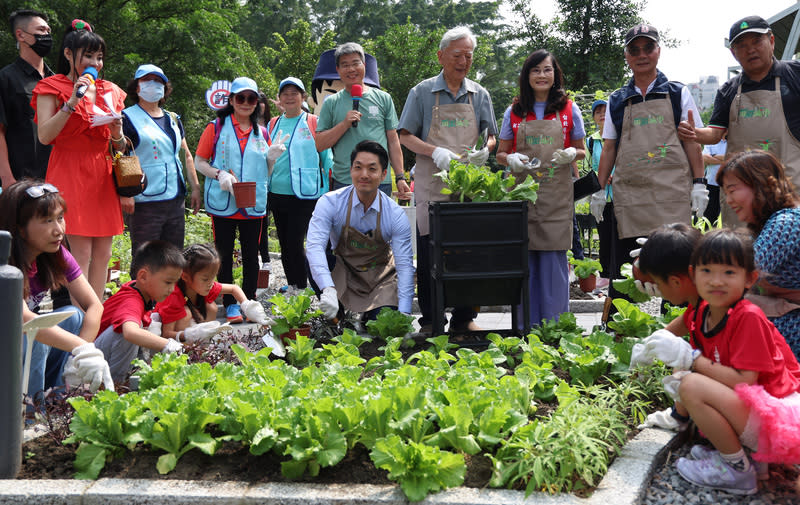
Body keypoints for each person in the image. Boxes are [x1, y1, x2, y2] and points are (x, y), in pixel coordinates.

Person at [634, 229, 800, 495]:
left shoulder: (748, 317)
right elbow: (682, 341)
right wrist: (653, 346)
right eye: (707, 271)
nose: (716, 281)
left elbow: (746, 381)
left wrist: (691, 358)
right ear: (693, 274)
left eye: (729, 273)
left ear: (750, 279)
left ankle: (735, 470)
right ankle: (750, 459)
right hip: (757, 412)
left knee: (689, 384)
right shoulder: (702, 312)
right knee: (683, 376)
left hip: (778, 417)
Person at [591, 23, 706, 304]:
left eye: (648, 48)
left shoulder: (678, 94)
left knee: (677, 268)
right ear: (626, 56)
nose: (642, 55)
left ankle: (680, 332)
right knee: (624, 273)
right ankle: (617, 331)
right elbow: (609, 148)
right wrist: (597, 189)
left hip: (672, 195)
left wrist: (699, 184)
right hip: (631, 196)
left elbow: (692, 142)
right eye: (634, 50)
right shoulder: (618, 100)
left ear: (658, 51)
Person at [398, 26, 498, 334]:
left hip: (469, 185)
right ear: (441, 56)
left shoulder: (479, 94)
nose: (463, 61)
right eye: (457, 55)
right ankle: (431, 319)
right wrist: (434, 151)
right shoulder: (422, 93)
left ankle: (464, 317)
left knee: (468, 253)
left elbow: (492, 135)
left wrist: (486, 150)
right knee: (431, 253)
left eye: (469, 55)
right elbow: (404, 136)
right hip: (434, 184)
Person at [32, 19, 126, 300]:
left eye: (99, 57)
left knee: (104, 254)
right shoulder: (52, 86)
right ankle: (82, 323)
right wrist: (72, 102)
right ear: (68, 54)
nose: (95, 63)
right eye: (88, 56)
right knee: (81, 253)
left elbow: (118, 147)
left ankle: (95, 321)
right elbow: (45, 136)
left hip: (102, 174)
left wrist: (118, 134)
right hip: (69, 170)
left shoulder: (111, 90)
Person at [678, 16, 800, 226]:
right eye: (741, 45)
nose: (750, 50)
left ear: (771, 41)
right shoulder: (729, 90)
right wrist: (695, 134)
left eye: (756, 42)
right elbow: (715, 134)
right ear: (733, 53)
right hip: (743, 195)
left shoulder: (795, 75)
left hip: (790, 188)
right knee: (742, 252)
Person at [496, 49, 586, 326]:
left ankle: (555, 327)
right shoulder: (514, 111)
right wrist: (510, 158)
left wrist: (572, 154)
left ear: (555, 74)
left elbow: (581, 150)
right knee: (525, 265)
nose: (542, 75)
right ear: (527, 76)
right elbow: (500, 152)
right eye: (536, 70)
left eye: (547, 70)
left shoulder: (569, 109)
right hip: (522, 198)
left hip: (556, 199)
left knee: (553, 264)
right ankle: (525, 327)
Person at [0, 180, 112, 395]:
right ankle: (30, 413)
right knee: (37, 334)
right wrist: (82, 348)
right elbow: (24, 318)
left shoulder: (56, 253)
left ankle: (56, 394)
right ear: (20, 229)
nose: (58, 229)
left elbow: (94, 305)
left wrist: (79, 355)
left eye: (60, 218)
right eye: (47, 220)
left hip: (19, 345)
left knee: (73, 316)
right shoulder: (7, 263)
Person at [194, 77, 285, 324]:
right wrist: (219, 173)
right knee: (222, 254)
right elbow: (198, 161)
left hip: (252, 204)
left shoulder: (262, 132)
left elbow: (265, 171)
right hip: (224, 203)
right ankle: (230, 302)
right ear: (232, 100)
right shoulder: (215, 128)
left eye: (251, 98)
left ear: (257, 103)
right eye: (241, 98)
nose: (246, 103)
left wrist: (272, 157)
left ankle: (249, 301)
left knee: (251, 254)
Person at [306, 140, 414, 321]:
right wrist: (327, 289)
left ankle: (368, 316)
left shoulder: (395, 214)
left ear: (383, 174)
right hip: (344, 273)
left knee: (380, 323)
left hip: (379, 278)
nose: (364, 175)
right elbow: (314, 246)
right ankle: (337, 317)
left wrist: (405, 313)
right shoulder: (330, 203)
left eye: (372, 169)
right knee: (314, 259)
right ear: (351, 171)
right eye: (358, 167)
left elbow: (404, 266)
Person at [717, 150, 800, 355]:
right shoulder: (770, 222)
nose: (728, 200)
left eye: (732, 190)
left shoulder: (786, 223)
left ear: (760, 185)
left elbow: (737, 272)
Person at [122, 64, 201, 255]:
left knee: (173, 258)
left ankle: (170, 287)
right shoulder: (127, 118)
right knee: (146, 258)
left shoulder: (172, 118)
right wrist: (126, 194)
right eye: (147, 80)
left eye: (158, 81)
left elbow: (186, 155)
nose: (153, 85)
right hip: (144, 201)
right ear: (137, 87)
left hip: (175, 199)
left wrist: (196, 187)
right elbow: (121, 158)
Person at [315, 42, 409, 197]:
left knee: (379, 221)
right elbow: (319, 144)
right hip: (345, 181)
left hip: (379, 181)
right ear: (338, 70)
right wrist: (344, 124)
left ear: (364, 65)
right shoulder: (331, 103)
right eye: (345, 65)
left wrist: (400, 177)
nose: (351, 69)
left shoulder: (383, 98)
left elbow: (393, 140)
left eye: (355, 63)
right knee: (345, 222)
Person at [634, 222, 703, 432]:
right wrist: (655, 339)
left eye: (657, 282)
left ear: (675, 281)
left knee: (683, 372)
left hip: (766, 406)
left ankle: (733, 458)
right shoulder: (702, 302)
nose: (656, 290)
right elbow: (686, 320)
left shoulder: (718, 311)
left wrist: (689, 359)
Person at [267, 77, 333, 290]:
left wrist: (327, 192)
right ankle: (293, 285)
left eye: (294, 93)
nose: (289, 97)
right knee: (285, 244)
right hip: (276, 191)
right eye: (285, 93)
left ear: (303, 97)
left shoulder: (313, 122)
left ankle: (302, 286)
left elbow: (326, 159)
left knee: (296, 243)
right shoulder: (273, 123)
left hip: (306, 194)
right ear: (279, 98)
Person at [94, 240, 190, 382]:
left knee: (152, 323)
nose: (172, 289)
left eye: (175, 283)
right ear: (143, 276)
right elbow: (130, 332)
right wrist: (167, 345)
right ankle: (116, 384)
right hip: (92, 361)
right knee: (127, 330)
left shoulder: (140, 290)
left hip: (101, 354)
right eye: (168, 282)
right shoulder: (131, 301)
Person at [154, 243, 272, 341]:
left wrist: (248, 306)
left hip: (188, 332)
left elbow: (233, 288)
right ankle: (186, 351)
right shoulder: (172, 295)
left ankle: (203, 345)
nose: (211, 283)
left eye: (213, 277)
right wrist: (188, 335)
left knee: (211, 307)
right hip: (165, 341)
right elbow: (165, 334)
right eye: (205, 279)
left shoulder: (202, 285)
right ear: (185, 276)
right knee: (186, 314)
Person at [0, 9, 53, 189]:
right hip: (21, 180)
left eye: (48, 31)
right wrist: (6, 177)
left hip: (56, 175)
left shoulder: (55, 80)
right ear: (21, 35)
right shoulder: (6, 78)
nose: (46, 35)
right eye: (40, 31)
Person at [586, 99, 613, 287]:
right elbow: (587, 167)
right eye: (598, 112)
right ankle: (605, 274)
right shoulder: (590, 140)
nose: (602, 114)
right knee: (603, 235)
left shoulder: (619, 136)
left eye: (606, 110)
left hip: (620, 194)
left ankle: (620, 272)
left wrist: (613, 174)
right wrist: (600, 176)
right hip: (599, 196)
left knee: (620, 234)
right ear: (594, 118)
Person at [256, 90, 272, 275]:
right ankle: (261, 256)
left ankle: (266, 257)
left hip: (272, 181)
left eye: (262, 101)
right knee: (259, 221)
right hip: (256, 181)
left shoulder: (272, 125)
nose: (259, 105)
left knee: (264, 220)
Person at [701, 134, 726, 224]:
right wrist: (725, 159)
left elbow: (735, 157)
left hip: (728, 185)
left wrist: (714, 156)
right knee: (709, 216)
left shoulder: (733, 142)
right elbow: (705, 158)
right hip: (712, 183)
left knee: (728, 216)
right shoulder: (711, 141)